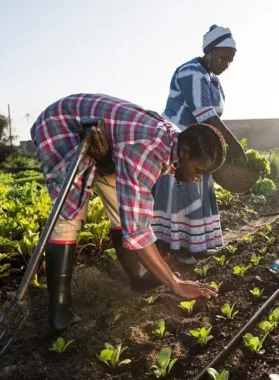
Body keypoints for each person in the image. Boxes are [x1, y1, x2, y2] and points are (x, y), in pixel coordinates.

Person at [30, 93, 223, 333]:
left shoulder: (175, 141)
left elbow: (132, 210)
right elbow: (139, 229)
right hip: (60, 126)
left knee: (121, 204)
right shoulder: (146, 151)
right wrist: (175, 283)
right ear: (183, 153)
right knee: (69, 212)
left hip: (106, 142)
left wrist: (105, 161)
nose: (198, 178)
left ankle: (139, 276)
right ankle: (59, 310)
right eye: (198, 170)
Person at [152, 25, 246, 265]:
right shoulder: (190, 72)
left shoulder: (212, 79)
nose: (226, 63)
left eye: (230, 60)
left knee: (197, 190)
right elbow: (204, 112)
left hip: (200, 142)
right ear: (210, 51)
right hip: (178, 140)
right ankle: (178, 248)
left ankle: (197, 245)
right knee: (183, 190)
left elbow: (213, 114)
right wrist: (232, 143)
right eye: (223, 57)